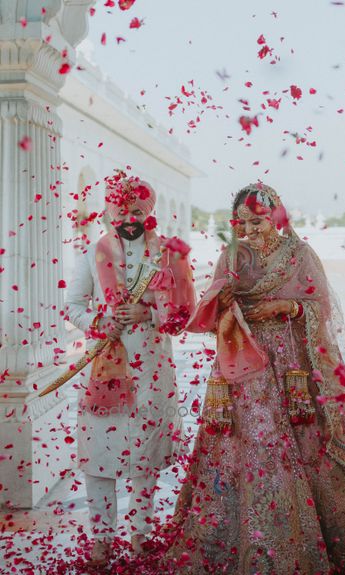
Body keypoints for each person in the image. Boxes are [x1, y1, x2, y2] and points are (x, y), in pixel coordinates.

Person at [160, 183, 345, 574]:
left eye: (258, 220)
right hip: (246, 366)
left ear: (276, 216)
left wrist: (287, 305)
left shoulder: (300, 255)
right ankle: (248, 542)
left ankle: (305, 543)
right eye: (243, 222)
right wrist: (224, 299)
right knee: (252, 444)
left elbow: (321, 308)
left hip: (292, 369)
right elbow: (212, 315)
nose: (250, 228)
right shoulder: (232, 254)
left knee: (304, 443)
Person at [65, 171, 195, 565]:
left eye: (137, 209)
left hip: (152, 368)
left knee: (146, 453)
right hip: (107, 367)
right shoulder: (94, 251)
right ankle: (102, 539)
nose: (128, 217)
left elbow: (186, 310)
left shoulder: (169, 253)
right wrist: (99, 324)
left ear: (149, 211)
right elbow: (73, 306)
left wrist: (150, 311)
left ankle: (141, 534)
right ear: (109, 211)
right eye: (121, 209)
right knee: (99, 452)